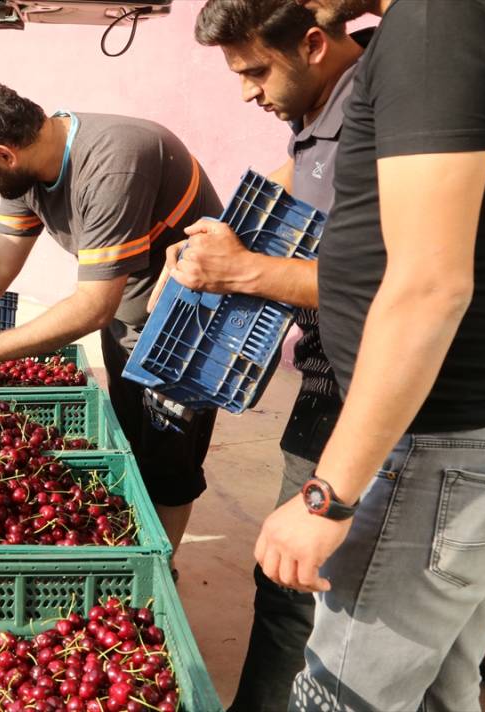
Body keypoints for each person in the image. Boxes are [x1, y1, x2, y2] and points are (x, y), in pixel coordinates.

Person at [251, 1, 485, 710]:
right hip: (455, 444)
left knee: (346, 695)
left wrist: (326, 495)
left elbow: (429, 283)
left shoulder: (435, 19)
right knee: (435, 692)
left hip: (431, 443)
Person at [0, 85, 223, 553]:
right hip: (133, 317)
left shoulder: (114, 163)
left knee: (167, 457)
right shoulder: (28, 170)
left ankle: (162, 568)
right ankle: (140, 545)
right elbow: (2, 256)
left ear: (4, 154)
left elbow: (93, 305)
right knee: (134, 439)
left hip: (190, 321)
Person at [159, 1, 364, 708]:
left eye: (253, 71)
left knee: (291, 589)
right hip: (328, 374)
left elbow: (394, 284)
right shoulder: (321, 108)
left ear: (312, 44)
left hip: (363, 393)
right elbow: (299, 173)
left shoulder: (381, 107)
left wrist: (241, 271)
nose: (246, 91)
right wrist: (229, 224)